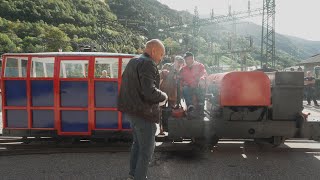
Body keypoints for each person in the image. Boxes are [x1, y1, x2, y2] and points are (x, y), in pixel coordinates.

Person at [118, 39, 168, 180]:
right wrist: (164, 96)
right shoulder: (148, 63)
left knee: (137, 145)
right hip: (144, 114)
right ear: (153, 51)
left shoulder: (133, 61)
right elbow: (149, 91)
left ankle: (132, 175)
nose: (161, 58)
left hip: (132, 112)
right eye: (161, 54)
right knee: (146, 151)